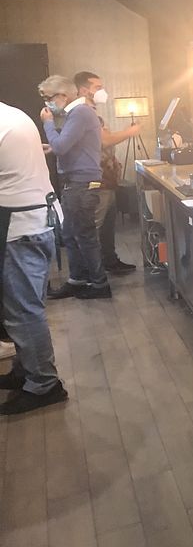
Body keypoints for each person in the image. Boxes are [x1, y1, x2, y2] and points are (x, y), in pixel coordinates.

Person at [0, 101, 67, 414]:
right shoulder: (13, 114)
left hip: (19, 229)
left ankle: (44, 384)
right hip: (36, 222)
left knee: (24, 312)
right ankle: (27, 370)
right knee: (25, 307)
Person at [38, 74, 111, 299]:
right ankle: (77, 279)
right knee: (70, 233)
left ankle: (99, 284)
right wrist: (53, 146)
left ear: (63, 95)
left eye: (49, 98)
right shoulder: (77, 113)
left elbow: (61, 146)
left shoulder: (80, 113)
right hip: (75, 183)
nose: (47, 104)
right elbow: (69, 144)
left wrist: (48, 124)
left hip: (82, 183)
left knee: (84, 235)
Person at [74, 71, 139, 274]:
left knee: (108, 226)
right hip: (97, 181)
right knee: (94, 227)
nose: (102, 91)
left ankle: (109, 260)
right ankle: (90, 272)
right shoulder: (83, 113)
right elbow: (104, 141)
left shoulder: (94, 115)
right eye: (97, 87)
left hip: (108, 180)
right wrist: (129, 132)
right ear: (84, 90)